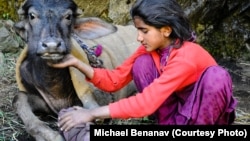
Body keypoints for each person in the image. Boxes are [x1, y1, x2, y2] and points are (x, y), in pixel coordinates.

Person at [53, 0, 237, 132]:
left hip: (203, 117)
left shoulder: (186, 56)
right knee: (142, 64)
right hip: (176, 113)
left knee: (217, 77)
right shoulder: (149, 50)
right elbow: (115, 81)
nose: (138, 37)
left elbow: (147, 102)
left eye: (144, 31)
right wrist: (77, 63)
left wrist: (92, 113)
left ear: (166, 30)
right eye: (138, 30)